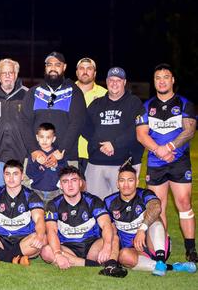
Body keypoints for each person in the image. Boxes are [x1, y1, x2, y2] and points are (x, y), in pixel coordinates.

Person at [136, 63, 197, 262]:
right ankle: (163, 247)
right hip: (156, 163)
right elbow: (141, 134)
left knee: (184, 203)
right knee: (157, 206)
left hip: (179, 162)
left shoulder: (185, 103)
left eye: (166, 77)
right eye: (157, 78)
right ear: (154, 82)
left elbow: (189, 131)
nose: (162, 80)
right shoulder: (146, 106)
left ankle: (190, 249)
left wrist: (169, 148)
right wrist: (158, 151)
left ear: (172, 80)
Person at [104, 164, 196, 275]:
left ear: (137, 182)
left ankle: (161, 260)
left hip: (155, 245)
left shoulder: (144, 194)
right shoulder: (109, 202)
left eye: (130, 180)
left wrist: (142, 229)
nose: (126, 185)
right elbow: (110, 228)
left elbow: (156, 207)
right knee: (123, 256)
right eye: (122, 180)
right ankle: (169, 267)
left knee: (155, 217)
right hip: (135, 252)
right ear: (117, 184)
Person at [40, 166, 127, 277]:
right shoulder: (53, 204)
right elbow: (51, 231)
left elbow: (106, 225)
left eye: (74, 180)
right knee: (46, 251)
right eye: (65, 181)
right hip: (68, 248)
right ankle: (91, 265)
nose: (70, 185)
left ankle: (111, 265)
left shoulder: (93, 201)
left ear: (80, 183)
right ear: (61, 185)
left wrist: (106, 246)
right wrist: (58, 254)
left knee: (113, 237)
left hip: (92, 247)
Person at [82, 67, 143, 199]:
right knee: (96, 205)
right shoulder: (97, 103)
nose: (114, 83)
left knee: (122, 206)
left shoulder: (134, 102)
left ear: (124, 82)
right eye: (111, 80)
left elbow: (136, 129)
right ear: (107, 81)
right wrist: (100, 145)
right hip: (97, 162)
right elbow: (85, 127)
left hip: (123, 164)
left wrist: (114, 144)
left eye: (118, 80)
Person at [21, 51, 86, 170]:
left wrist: (61, 151)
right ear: (45, 67)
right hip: (37, 159)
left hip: (65, 157)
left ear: (64, 67)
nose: (53, 68)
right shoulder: (33, 92)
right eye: (49, 64)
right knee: (32, 189)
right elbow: (24, 123)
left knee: (67, 189)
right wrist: (34, 150)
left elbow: (76, 124)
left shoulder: (75, 92)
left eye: (57, 64)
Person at [0, 58, 30, 191]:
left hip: (22, 156)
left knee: (23, 196)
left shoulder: (27, 94)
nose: (8, 76)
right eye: (4, 73)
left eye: (11, 72)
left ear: (16, 74)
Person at [75, 57, 107, 175]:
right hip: (70, 152)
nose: (85, 71)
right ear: (77, 72)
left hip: (95, 152)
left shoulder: (104, 94)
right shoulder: (67, 92)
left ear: (95, 73)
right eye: (81, 68)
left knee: (93, 191)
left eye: (89, 68)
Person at [24, 123, 65, 205]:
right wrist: (36, 163)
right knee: (36, 216)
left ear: (53, 139)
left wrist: (57, 164)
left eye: (48, 137)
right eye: (42, 137)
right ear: (37, 137)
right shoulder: (34, 155)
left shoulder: (58, 154)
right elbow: (29, 173)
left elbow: (64, 173)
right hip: (36, 191)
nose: (45, 140)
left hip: (54, 192)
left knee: (52, 216)